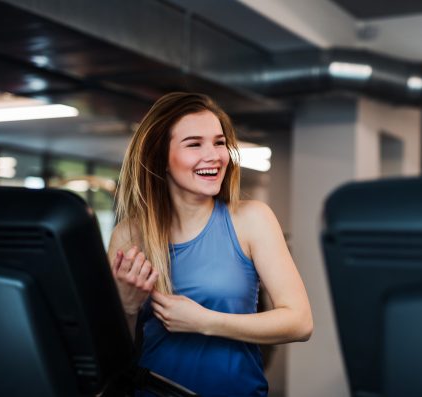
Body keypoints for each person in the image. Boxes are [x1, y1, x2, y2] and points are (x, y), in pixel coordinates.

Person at [107, 92, 313, 396]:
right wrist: (125, 306)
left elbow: (300, 322)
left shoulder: (251, 219)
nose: (215, 155)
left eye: (219, 142)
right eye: (194, 144)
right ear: (160, 157)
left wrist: (205, 321)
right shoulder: (129, 235)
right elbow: (108, 354)